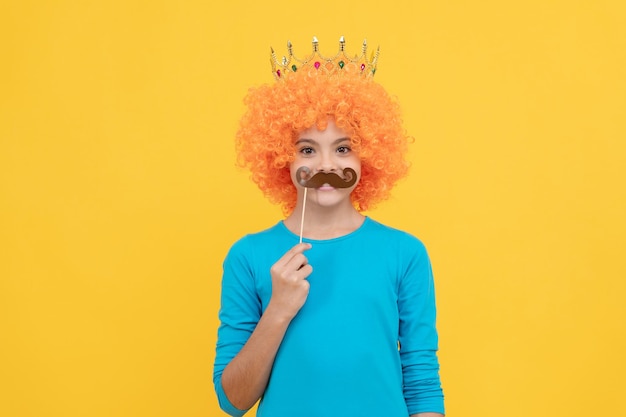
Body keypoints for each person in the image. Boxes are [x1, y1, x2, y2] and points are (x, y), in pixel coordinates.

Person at [213, 36, 445, 417]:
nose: (326, 166)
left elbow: (421, 382)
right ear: (281, 158)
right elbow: (233, 401)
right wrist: (279, 309)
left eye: (343, 148)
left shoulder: (404, 253)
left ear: (369, 153)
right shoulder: (248, 256)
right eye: (307, 149)